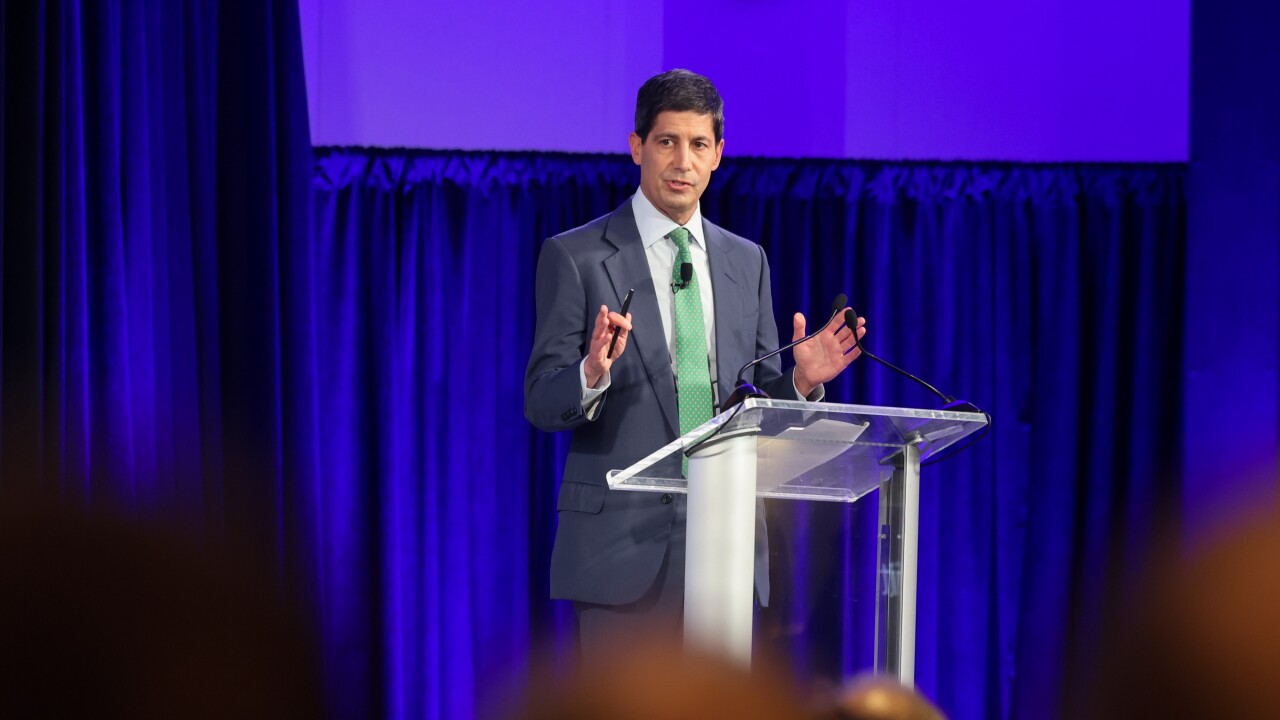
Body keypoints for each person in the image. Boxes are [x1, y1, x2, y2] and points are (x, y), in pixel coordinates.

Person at [524, 69, 866, 658]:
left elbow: (753, 403)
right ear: (637, 147)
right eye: (667, 142)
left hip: (726, 548)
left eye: (699, 144)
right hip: (619, 557)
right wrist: (591, 374)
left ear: (718, 156)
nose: (683, 160)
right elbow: (540, 398)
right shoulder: (577, 256)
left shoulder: (746, 261)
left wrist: (801, 382)